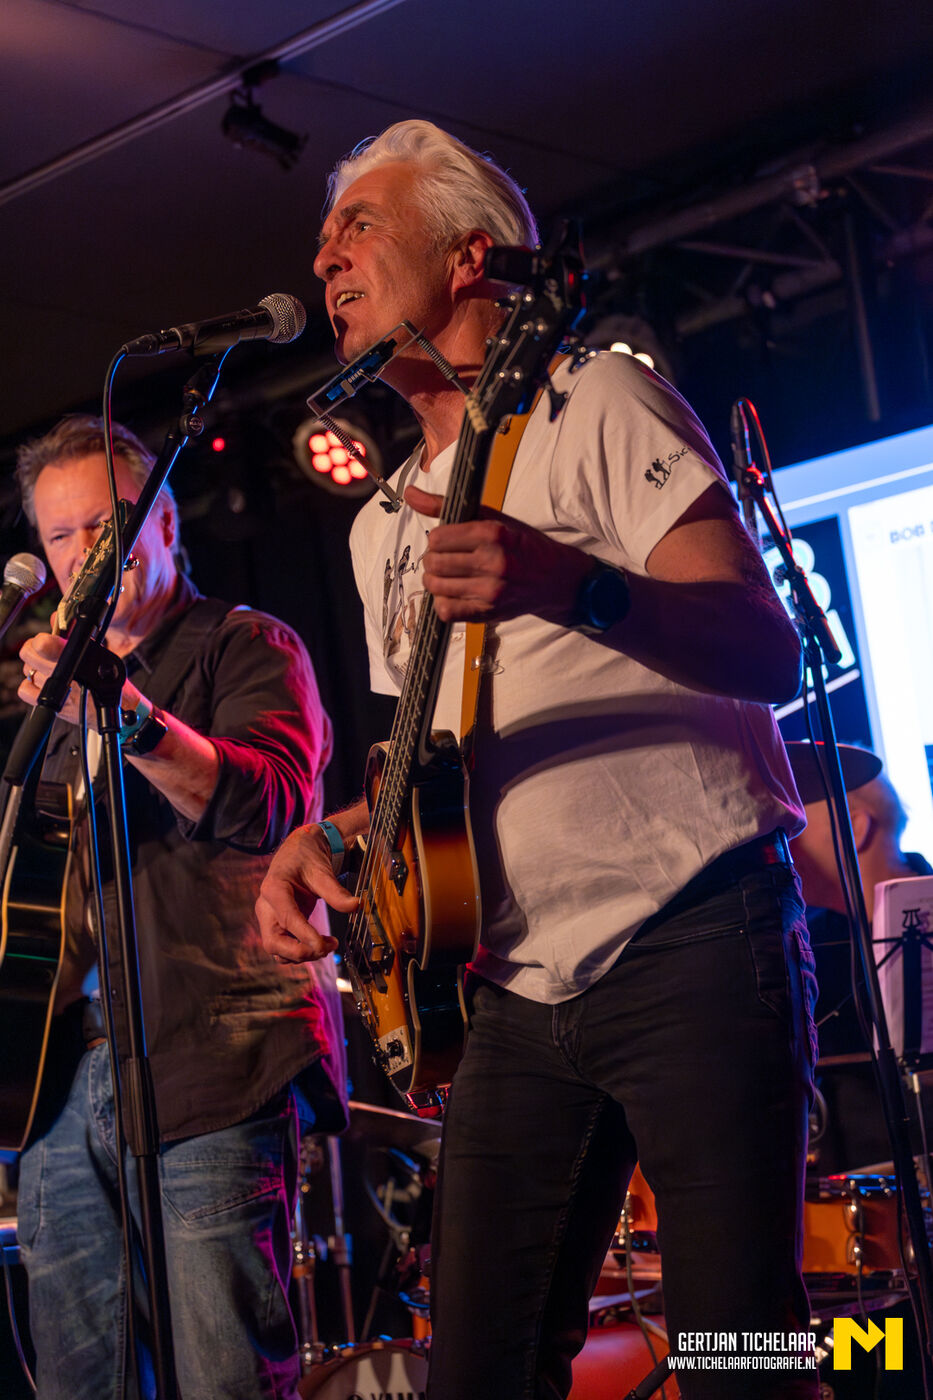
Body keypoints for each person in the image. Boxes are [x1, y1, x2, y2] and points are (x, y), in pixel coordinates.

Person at [257, 119, 818, 1399]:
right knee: (478, 1372)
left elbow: (766, 645)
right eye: (325, 237)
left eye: (359, 227)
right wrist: (329, 834)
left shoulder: (597, 400)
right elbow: (434, 771)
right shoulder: (378, 528)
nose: (325, 257)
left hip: (692, 933)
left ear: (469, 256)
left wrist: (574, 584)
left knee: (744, 1355)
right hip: (511, 989)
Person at [10, 415, 347, 1400]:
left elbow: (267, 802)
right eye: (61, 534)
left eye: (105, 525)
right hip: (58, 1086)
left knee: (224, 1379)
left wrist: (128, 718)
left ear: (162, 524)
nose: (84, 552)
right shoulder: (46, 701)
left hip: (209, 1063)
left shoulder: (245, 643)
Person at [786, 739, 933, 1171]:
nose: (782, 844)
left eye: (794, 825)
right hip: (848, 1192)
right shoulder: (799, 941)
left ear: (854, 825)